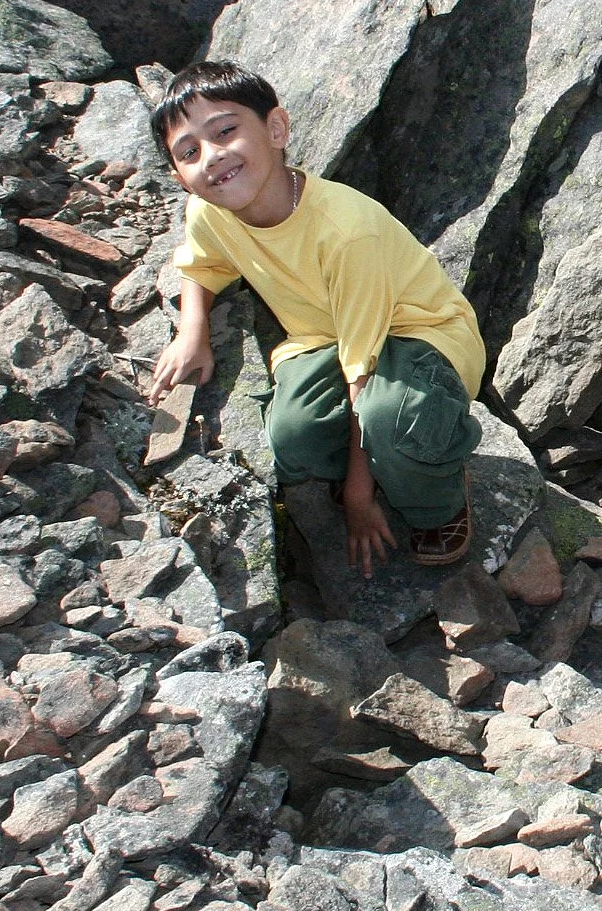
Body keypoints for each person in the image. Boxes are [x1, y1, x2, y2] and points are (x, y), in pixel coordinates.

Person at [144, 60, 485, 577]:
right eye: (189, 152)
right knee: (293, 437)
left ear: (276, 128)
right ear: (180, 179)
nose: (211, 156)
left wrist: (357, 498)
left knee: (390, 418)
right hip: (324, 336)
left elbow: (361, 373)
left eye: (226, 131)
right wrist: (193, 332)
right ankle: (391, 463)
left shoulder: (346, 230)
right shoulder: (210, 212)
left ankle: (437, 492)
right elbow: (202, 264)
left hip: (419, 331)